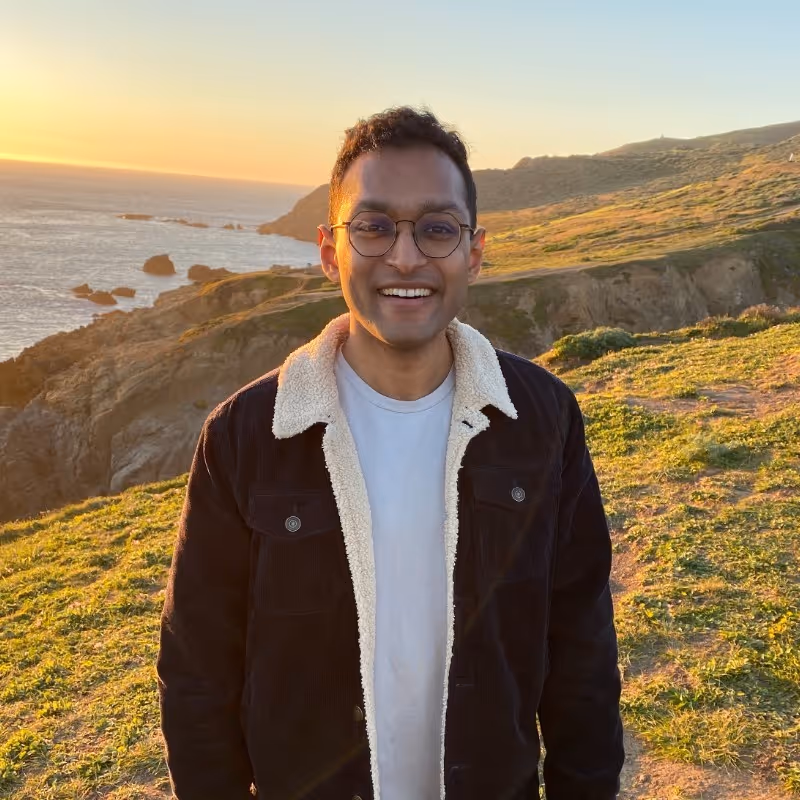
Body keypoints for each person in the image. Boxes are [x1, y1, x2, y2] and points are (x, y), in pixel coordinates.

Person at [156, 106, 624, 800]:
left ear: (475, 250)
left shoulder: (544, 420)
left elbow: (581, 652)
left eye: (437, 229)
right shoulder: (244, 437)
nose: (405, 257)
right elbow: (198, 676)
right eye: (373, 227)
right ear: (328, 250)